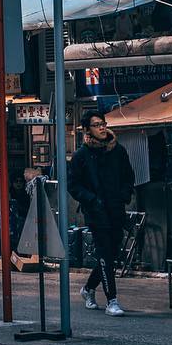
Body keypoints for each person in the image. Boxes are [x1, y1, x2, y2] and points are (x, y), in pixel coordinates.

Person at [69, 110, 135, 317]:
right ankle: (111, 300)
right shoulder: (82, 155)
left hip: (116, 210)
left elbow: (128, 176)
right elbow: (73, 185)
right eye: (97, 125)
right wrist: (91, 199)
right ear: (87, 130)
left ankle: (88, 289)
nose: (102, 127)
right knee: (105, 253)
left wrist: (124, 195)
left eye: (103, 123)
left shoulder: (118, 150)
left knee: (112, 255)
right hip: (96, 212)